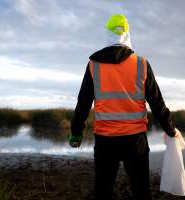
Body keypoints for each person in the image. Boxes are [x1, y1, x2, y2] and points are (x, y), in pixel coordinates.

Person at [68, 14, 177, 200]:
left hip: (105, 141)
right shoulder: (141, 64)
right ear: (127, 34)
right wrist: (170, 130)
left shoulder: (94, 65)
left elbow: (83, 103)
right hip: (135, 141)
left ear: (108, 34)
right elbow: (157, 103)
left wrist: (76, 134)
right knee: (141, 191)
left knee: (103, 191)